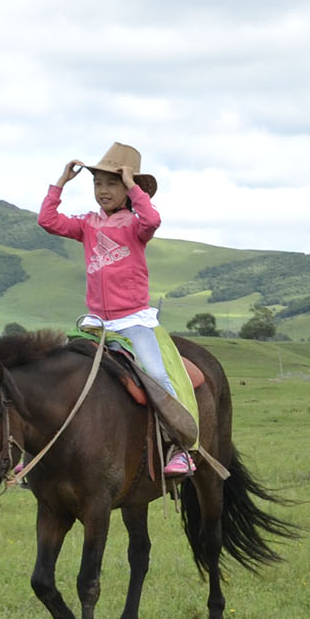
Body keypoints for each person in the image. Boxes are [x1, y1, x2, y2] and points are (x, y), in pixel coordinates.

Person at [38, 143, 196, 478]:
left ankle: (179, 449)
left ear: (126, 188)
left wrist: (134, 185)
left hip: (132, 321)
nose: (103, 191)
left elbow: (153, 218)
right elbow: (47, 220)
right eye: (98, 184)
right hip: (95, 323)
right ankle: (38, 453)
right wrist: (61, 183)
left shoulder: (136, 225)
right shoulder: (87, 225)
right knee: (54, 374)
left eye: (112, 183)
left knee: (155, 373)